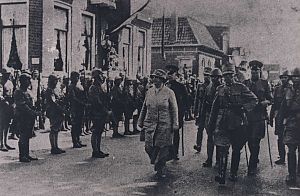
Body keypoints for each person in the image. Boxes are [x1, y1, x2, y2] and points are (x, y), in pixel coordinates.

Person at [208, 64, 257, 184]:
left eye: (229, 75)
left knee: (236, 148)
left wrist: (243, 108)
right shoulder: (220, 89)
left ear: (233, 75)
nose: (227, 78)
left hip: (238, 122)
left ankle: (233, 173)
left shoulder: (241, 87)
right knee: (223, 148)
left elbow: (254, 100)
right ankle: (221, 174)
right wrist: (211, 124)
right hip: (223, 122)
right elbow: (214, 108)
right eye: (225, 76)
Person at [138, 69, 178, 178]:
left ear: (161, 79)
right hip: (150, 123)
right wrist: (140, 121)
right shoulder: (149, 91)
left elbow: (174, 109)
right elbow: (144, 107)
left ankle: (160, 166)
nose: (153, 79)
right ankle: (157, 162)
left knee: (163, 147)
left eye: (155, 77)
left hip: (164, 124)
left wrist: (175, 123)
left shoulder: (169, 92)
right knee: (148, 147)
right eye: (153, 77)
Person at [243, 60, 273, 175]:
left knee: (255, 140)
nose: (255, 72)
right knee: (250, 141)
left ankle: (252, 165)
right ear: (250, 71)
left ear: (260, 71)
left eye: (257, 70)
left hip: (259, 117)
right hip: (247, 117)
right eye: (253, 70)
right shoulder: (245, 83)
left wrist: (265, 102)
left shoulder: (265, 84)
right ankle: (254, 157)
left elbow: (271, 98)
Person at [14, 71, 40, 162]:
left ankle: (26, 153)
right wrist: (32, 112)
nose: (29, 82)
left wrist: (35, 110)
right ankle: (22, 155)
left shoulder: (28, 91)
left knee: (28, 135)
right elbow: (22, 105)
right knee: (23, 136)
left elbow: (32, 102)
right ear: (22, 81)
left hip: (29, 117)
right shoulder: (18, 91)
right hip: (22, 117)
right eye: (27, 80)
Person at [200, 68, 223, 168]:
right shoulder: (208, 87)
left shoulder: (223, 88)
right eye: (212, 77)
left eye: (216, 77)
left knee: (218, 138)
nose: (214, 79)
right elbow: (204, 103)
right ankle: (209, 159)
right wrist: (201, 115)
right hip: (209, 115)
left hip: (219, 116)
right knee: (210, 138)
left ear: (220, 78)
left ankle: (218, 160)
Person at [281, 67, 300, 185]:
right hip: (292, 123)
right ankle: (292, 174)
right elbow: (286, 106)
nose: (296, 79)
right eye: (294, 77)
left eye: (298, 77)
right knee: (291, 149)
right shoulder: (289, 90)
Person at [165, 64, 188, 160]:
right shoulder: (164, 86)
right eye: (168, 74)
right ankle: (167, 152)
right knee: (166, 132)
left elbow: (187, 99)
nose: (169, 75)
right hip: (166, 113)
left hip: (177, 113)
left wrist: (183, 112)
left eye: (171, 74)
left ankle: (175, 152)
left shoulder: (181, 87)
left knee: (175, 132)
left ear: (176, 75)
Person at [270, 70, 291, 165]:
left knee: (290, 138)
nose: (283, 79)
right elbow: (274, 104)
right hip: (279, 117)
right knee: (280, 137)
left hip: (289, 117)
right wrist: (270, 118)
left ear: (288, 78)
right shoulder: (277, 89)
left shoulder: (292, 89)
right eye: (282, 77)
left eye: (285, 77)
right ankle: (282, 157)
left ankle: (291, 158)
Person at [89, 69, 110, 158]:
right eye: (100, 76)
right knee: (96, 131)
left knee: (100, 130)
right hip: (96, 112)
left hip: (101, 111)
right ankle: (95, 151)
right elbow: (97, 101)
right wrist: (104, 109)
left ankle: (98, 149)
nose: (102, 77)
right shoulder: (93, 87)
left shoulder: (100, 87)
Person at [45, 74, 66, 154]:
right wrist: (60, 107)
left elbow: (60, 97)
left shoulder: (56, 89)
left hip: (58, 110)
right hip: (53, 110)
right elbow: (53, 102)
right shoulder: (49, 90)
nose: (56, 82)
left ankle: (56, 146)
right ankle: (53, 147)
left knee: (57, 129)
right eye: (55, 80)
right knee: (53, 129)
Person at [193, 67, 212, 152]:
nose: (206, 77)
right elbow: (196, 99)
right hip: (201, 111)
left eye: (208, 75)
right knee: (200, 129)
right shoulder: (200, 85)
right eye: (205, 75)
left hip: (209, 111)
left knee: (209, 130)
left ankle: (210, 145)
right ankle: (198, 145)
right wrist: (195, 110)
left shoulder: (212, 86)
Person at [68, 71, 87, 148]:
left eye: (77, 77)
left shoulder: (79, 86)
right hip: (74, 107)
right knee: (75, 124)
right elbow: (73, 98)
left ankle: (78, 140)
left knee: (79, 124)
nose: (77, 78)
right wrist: (82, 103)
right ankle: (75, 141)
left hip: (80, 108)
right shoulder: (71, 86)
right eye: (75, 77)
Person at [0, 69, 15, 151]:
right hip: (2, 105)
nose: (8, 75)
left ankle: (6, 142)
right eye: (6, 74)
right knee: (1, 125)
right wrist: (4, 100)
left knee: (8, 124)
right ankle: (1, 144)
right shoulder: (0, 82)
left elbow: (12, 93)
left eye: (8, 74)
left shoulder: (10, 83)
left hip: (9, 105)